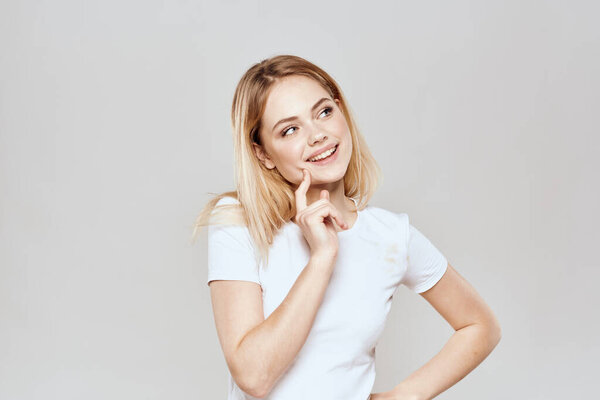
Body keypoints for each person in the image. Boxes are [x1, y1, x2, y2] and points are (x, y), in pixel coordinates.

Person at [192, 55, 502, 400]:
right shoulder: (239, 222)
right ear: (263, 153)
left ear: (341, 112)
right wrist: (322, 258)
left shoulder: (390, 235)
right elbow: (254, 376)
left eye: (324, 112)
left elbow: (480, 326)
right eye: (290, 129)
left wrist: (407, 395)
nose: (318, 135)